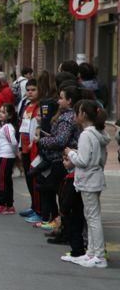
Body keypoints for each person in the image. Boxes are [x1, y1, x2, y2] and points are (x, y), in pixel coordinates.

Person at [63, 100, 109, 268]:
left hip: (88, 180)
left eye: (78, 112)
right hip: (95, 177)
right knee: (91, 217)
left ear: (83, 115)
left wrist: (71, 153)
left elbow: (82, 161)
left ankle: (98, 255)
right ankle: (91, 253)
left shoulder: (86, 135)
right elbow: (99, 158)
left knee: (92, 218)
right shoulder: (98, 133)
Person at [35, 86, 81, 230]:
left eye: (61, 98)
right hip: (59, 159)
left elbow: (61, 140)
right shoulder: (65, 115)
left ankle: (61, 224)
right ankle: (59, 222)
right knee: (53, 189)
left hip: (62, 160)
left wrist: (42, 141)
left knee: (56, 192)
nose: (58, 101)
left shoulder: (67, 118)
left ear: (69, 100)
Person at [0, 103, 19, 214]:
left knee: (1, 180)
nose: (0, 114)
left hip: (5, 156)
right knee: (7, 180)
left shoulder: (7, 127)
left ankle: (1, 204)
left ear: (10, 116)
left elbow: (14, 141)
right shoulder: (5, 126)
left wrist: (15, 152)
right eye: (0, 111)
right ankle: (9, 205)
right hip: (5, 156)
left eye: (3, 112)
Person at [18, 79, 42, 220]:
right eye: (28, 90)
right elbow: (23, 126)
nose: (30, 92)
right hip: (25, 147)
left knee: (35, 179)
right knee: (28, 178)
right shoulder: (26, 105)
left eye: (33, 89)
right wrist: (21, 146)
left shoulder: (39, 106)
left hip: (34, 147)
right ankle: (34, 205)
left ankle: (39, 209)